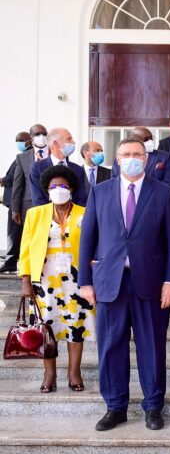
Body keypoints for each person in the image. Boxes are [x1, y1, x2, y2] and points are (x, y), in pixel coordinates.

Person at [79, 137, 170, 432]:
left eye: (138, 154)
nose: (133, 158)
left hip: (150, 282)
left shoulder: (162, 193)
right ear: (117, 158)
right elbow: (87, 240)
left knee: (151, 346)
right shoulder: (99, 192)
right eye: (126, 154)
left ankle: (153, 406)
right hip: (109, 282)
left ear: (146, 159)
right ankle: (115, 406)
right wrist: (85, 282)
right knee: (111, 347)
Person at [19, 165, 94, 393]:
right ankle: (49, 373)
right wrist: (25, 280)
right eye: (54, 187)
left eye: (63, 186)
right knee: (47, 328)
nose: (58, 189)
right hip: (44, 281)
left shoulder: (85, 212)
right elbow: (26, 249)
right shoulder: (35, 213)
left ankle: (74, 372)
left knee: (76, 326)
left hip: (76, 279)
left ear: (71, 188)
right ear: (47, 190)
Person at [29, 128, 86, 207]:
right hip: (47, 216)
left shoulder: (78, 170)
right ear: (55, 143)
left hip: (73, 217)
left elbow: (81, 199)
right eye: (69, 139)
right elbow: (38, 199)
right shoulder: (37, 168)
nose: (73, 142)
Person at [1, 132, 31, 273]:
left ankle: (11, 262)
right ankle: (12, 261)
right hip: (15, 202)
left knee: (14, 233)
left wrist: (2, 180)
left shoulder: (26, 158)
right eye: (16, 140)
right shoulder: (22, 157)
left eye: (21, 140)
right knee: (15, 233)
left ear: (29, 140)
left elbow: (13, 179)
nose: (18, 143)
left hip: (18, 204)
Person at [10, 125, 48, 231]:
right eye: (37, 134)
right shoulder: (22, 158)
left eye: (44, 134)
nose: (41, 136)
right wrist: (15, 210)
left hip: (52, 204)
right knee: (31, 238)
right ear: (31, 137)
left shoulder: (55, 154)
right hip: (29, 206)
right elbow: (18, 185)